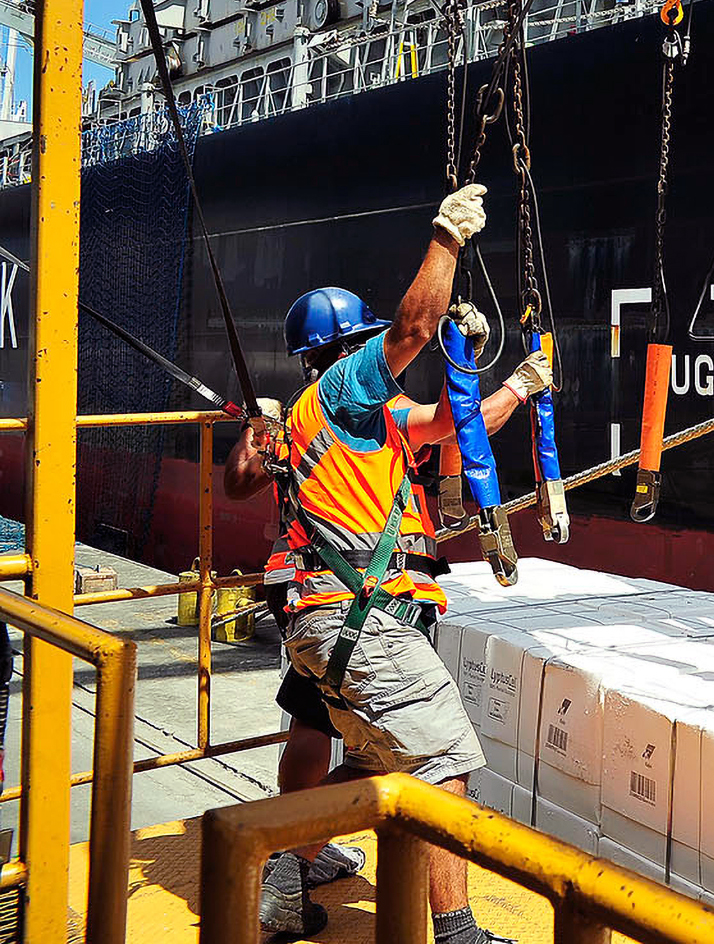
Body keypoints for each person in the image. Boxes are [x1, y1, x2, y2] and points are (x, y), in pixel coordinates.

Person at [221, 184, 549, 944]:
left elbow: (450, 425)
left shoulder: (340, 417)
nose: (385, 356)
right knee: (443, 758)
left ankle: (282, 865)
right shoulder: (344, 389)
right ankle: (457, 933)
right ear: (347, 351)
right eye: (367, 344)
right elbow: (414, 326)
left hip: (335, 616)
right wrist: (447, 237)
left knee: (380, 761)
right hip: (355, 616)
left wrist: (515, 384)